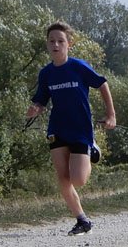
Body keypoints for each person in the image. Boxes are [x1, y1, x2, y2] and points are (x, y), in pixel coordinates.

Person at [25, 21, 116, 235]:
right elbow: (41, 100)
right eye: (51, 41)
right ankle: (82, 220)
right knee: (63, 177)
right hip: (57, 128)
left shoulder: (78, 67)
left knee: (78, 179)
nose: (55, 45)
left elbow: (102, 83)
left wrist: (111, 115)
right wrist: (35, 109)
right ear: (47, 44)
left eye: (60, 41)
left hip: (80, 129)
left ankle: (92, 148)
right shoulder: (46, 73)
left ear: (69, 44)